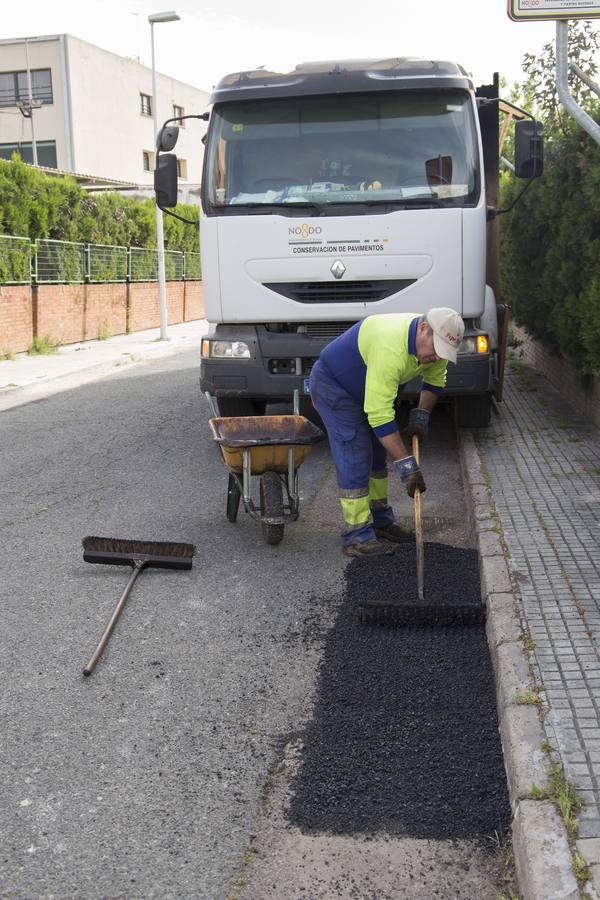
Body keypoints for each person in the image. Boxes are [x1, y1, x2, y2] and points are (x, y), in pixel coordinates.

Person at [309, 308, 465, 557]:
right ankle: (356, 535)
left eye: (443, 352)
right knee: (356, 453)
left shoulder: (435, 348)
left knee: (377, 456)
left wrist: (421, 415)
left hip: (369, 390)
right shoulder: (391, 346)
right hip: (335, 387)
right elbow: (380, 416)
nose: (438, 356)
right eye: (436, 349)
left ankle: (380, 522)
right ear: (424, 328)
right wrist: (407, 466)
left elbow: (436, 379)